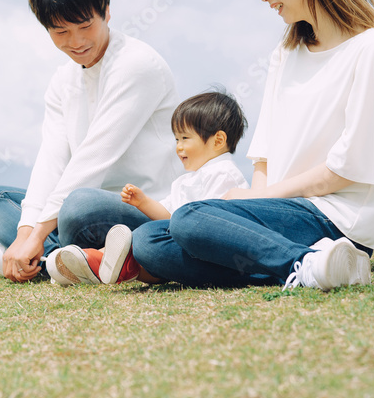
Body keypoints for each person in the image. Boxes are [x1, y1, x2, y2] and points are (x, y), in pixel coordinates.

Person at [131, 0, 374, 291]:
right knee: (149, 242)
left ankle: (300, 261)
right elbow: (264, 155)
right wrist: (253, 201)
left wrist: (261, 196)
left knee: (189, 218)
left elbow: (348, 168)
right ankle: (310, 264)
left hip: (336, 217)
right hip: (281, 208)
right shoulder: (285, 54)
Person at [0, 0, 180, 283]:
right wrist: (26, 231)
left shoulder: (136, 65)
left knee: (78, 204)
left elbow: (93, 158)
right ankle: (66, 259)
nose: (76, 41)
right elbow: (52, 159)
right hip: (81, 207)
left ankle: (52, 259)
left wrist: (37, 234)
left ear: (106, 13)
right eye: (61, 32)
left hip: (149, 207)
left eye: (85, 26)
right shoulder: (62, 81)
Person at [51, 90, 251, 285]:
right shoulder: (186, 180)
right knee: (145, 237)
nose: (178, 146)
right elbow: (167, 214)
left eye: (185, 138)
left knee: (144, 238)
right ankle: (91, 264)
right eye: (176, 139)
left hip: (203, 252)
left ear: (218, 140)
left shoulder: (223, 173)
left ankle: (93, 263)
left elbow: (214, 227)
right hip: (181, 241)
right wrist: (143, 202)